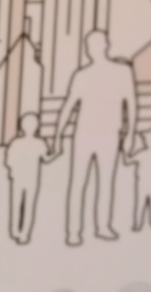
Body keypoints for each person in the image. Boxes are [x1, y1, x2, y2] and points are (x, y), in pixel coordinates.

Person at [52, 28, 138, 246]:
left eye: (97, 44)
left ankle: (103, 226)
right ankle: (73, 231)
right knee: (78, 182)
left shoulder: (123, 72)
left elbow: (131, 103)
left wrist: (130, 134)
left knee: (105, 181)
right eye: (90, 46)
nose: (93, 49)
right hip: (84, 134)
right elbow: (68, 106)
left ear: (106, 45)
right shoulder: (82, 75)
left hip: (109, 133)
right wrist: (58, 136)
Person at [2, 111, 59, 245]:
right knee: (28, 206)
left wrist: (11, 171)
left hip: (19, 177)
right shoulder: (39, 143)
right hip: (31, 178)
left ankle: (15, 230)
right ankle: (24, 234)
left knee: (16, 204)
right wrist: (56, 154)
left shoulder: (16, 142)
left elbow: (9, 161)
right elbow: (46, 159)